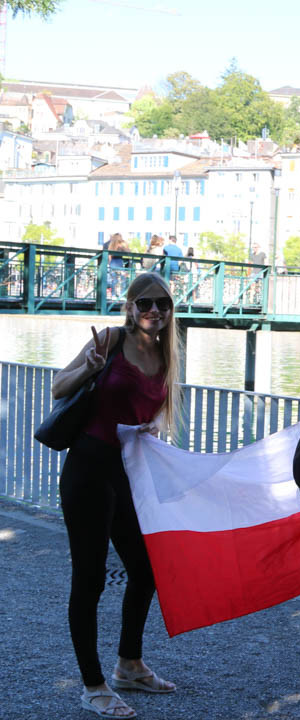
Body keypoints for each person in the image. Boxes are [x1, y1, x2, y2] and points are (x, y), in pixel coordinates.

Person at [51, 272, 182, 719]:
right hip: (88, 469)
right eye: (145, 302)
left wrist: (152, 426)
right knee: (88, 578)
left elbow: (147, 409)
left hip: (127, 473)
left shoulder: (166, 355)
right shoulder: (108, 341)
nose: (154, 311)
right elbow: (57, 387)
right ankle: (93, 685)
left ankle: (129, 664)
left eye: (162, 304)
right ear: (129, 306)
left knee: (145, 569)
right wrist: (88, 367)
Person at [106, 234, 129, 298]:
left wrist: (109, 263)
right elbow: (128, 252)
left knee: (114, 280)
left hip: (113, 262)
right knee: (122, 279)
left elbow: (109, 255)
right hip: (119, 261)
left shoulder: (111, 244)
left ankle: (113, 295)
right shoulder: (122, 244)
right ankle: (121, 294)